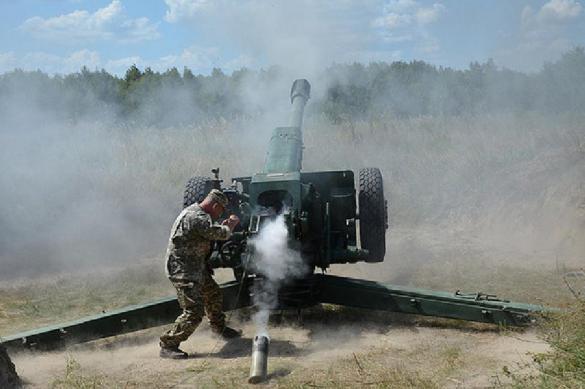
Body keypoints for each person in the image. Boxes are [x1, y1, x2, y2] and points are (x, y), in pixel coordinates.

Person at [159, 189, 242, 359]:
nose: (220, 213)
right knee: (194, 312)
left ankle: (219, 328)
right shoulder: (197, 217)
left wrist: (222, 224)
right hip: (183, 271)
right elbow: (221, 234)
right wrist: (230, 225)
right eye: (220, 210)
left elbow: (206, 233)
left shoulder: (195, 212)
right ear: (215, 205)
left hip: (194, 267)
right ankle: (168, 344)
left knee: (213, 294)